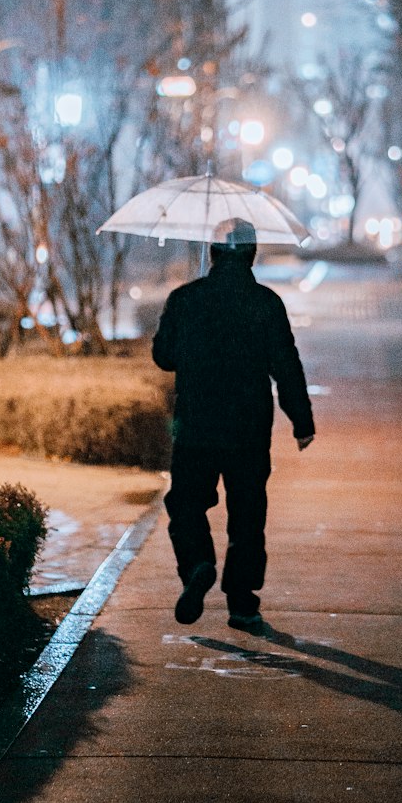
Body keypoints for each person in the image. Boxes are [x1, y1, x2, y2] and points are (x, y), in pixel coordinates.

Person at [151, 217, 315, 635]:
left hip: (195, 426)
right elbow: (286, 366)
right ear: (251, 254)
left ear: (213, 253)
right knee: (247, 515)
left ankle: (197, 564)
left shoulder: (186, 299)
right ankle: (242, 603)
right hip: (248, 427)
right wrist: (301, 420)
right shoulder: (266, 303)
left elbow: (164, 357)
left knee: (186, 504)